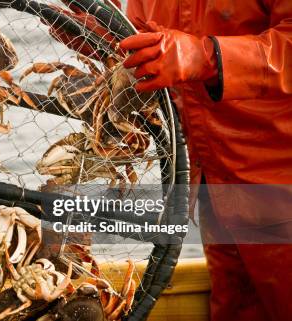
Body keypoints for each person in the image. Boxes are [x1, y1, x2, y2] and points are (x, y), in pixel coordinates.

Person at [49, 1, 292, 320]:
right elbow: (149, 40)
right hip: (215, 187)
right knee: (236, 308)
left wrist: (205, 56)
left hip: (280, 181)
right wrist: (103, 37)